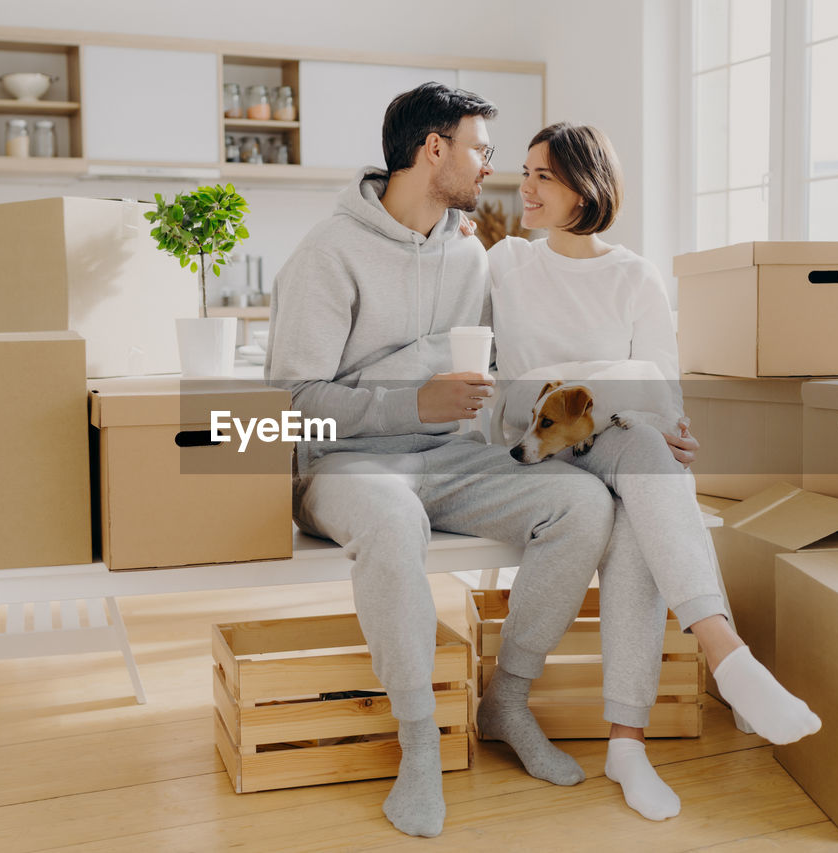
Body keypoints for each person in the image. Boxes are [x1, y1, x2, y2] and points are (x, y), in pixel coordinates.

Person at [265, 85, 619, 838]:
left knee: (585, 504)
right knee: (392, 521)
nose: (492, 167)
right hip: (343, 465)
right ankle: (420, 739)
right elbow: (288, 404)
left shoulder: (473, 255)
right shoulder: (328, 253)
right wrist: (409, 402)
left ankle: (506, 701)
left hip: (452, 460)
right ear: (435, 149)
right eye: (482, 150)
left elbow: (501, 380)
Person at [487, 122, 822, 821]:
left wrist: (639, 406)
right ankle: (720, 662)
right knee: (639, 456)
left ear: (587, 185)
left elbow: (660, 397)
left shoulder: (633, 275)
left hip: (617, 441)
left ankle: (632, 740)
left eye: (542, 175)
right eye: (524, 172)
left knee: (643, 470)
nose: (525, 187)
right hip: (535, 443)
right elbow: (512, 387)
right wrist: (608, 387)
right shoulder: (508, 264)